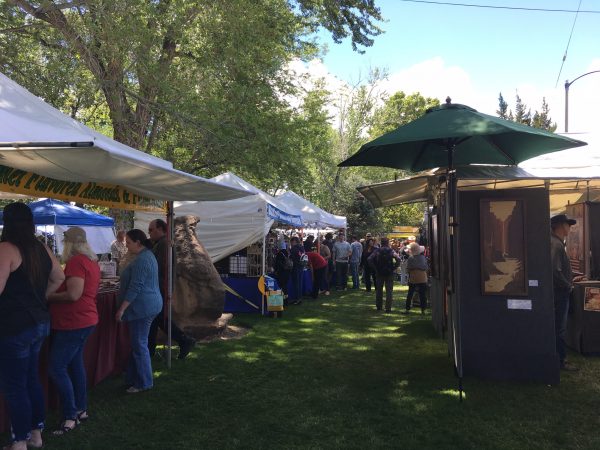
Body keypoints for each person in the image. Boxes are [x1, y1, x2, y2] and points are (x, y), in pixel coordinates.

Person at [0, 202, 64, 450]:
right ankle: (35, 436)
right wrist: (39, 298)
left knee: (16, 385)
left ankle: (19, 443)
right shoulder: (42, 248)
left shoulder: (6, 248)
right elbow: (59, 278)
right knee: (30, 380)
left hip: (15, 326)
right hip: (38, 323)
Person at [46, 227, 101, 436]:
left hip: (75, 322)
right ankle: (81, 409)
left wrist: (49, 297)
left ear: (69, 243)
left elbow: (74, 295)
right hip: (83, 320)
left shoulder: (77, 262)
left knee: (56, 368)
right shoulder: (90, 261)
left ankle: (70, 415)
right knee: (75, 365)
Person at [115, 229, 163, 393]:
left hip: (143, 307)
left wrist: (121, 309)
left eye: (128, 243)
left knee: (139, 344)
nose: (127, 246)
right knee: (138, 343)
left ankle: (144, 382)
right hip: (148, 304)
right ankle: (133, 377)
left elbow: (136, 287)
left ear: (138, 242)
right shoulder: (146, 256)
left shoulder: (143, 259)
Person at [147, 219, 196, 360]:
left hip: (160, 287)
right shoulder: (160, 243)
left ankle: (183, 340)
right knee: (159, 319)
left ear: (161, 229)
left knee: (157, 318)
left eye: (151, 229)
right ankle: (183, 340)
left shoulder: (164, 244)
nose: (149, 233)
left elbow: (157, 266)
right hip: (161, 286)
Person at [550, 214, 582, 371]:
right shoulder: (555, 244)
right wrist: (568, 285)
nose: (570, 227)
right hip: (559, 293)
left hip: (558, 292)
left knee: (558, 327)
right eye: (568, 224)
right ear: (561, 226)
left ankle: (558, 359)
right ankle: (560, 360)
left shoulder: (555, 243)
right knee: (559, 328)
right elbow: (555, 271)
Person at [368, 237, 401, 312]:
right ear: (387, 242)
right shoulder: (391, 251)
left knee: (379, 290)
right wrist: (394, 267)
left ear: (382, 243)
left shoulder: (377, 250)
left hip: (379, 272)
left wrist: (375, 268)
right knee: (389, 291)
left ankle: (379, 307)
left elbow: (369, 259)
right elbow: (398, 259)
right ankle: (388, 308)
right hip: (389, 272)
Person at [403, 242, 428, 315]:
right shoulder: (423, 258)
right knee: (422, 294)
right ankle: (423, 310)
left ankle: (407, 309)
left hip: (413, 278)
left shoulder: (410, 258)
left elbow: (408, 269)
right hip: (422, 277)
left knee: (410, 294)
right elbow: (426, 267)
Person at [289, 236, 305, 304]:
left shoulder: (294, 248)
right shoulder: (302, 247)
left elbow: (291, 257)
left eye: (291, 242)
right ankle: (299, 298)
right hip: (301, 266)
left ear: (294, 241)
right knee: (299, 283)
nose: (291, 243)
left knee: (296, 283)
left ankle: (297, 299)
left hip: (295, 267)